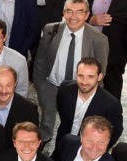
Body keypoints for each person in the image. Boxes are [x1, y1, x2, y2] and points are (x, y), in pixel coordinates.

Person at [33, 0, 108, 145]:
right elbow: (40, 58)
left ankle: (69, 145)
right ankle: (45, 139)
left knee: (74, 123)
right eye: (69, 11)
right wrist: (40, 84)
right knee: (47, 118)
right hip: (51, 85)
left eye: (79, 12)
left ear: (87, 15)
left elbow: (101, 70)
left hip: (80, 90)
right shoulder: (50, 30)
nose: (73, 16)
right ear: (63, 12)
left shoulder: (99, 39)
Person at [54, 57, 123, 151]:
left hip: (89, 149)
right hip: (63, 141)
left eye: (90, 77)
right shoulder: (65, 89)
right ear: (76, 74)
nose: (84, 81)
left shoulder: (111, 104)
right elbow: (61, 110)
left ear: (99, 77)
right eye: (81, 75)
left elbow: (116, 131)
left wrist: (98, 149)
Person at [0, 65, 39, 140]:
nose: (4, 91)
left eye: (8, 85)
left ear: (15, 84)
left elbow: (32, 140)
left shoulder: (29, 110)